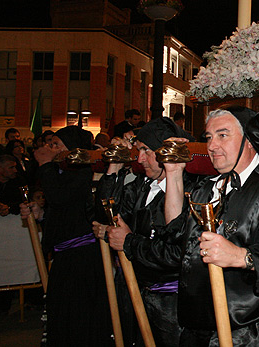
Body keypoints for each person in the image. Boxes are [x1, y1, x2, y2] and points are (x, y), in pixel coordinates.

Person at [163, 106, 259, 346]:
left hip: (246, 333)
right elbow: (176, 232)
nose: (212, 146)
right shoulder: (208, 186)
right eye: (209, 137)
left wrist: (242, 257)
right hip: (197, 327)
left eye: (223, 135)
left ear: (251, 141)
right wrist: (173, 174)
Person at [93, 117, 195, 346]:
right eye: (138, 150)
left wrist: (129, 241)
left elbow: (175, 254)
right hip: (137, 292)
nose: (139, 159)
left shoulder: (192, 192)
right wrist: (115, 165)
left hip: (171, 305)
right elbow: (104, 216)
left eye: (146, 151)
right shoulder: (142, 186)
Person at [31, 126, 112, 346]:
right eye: (50, 143)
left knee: (79, 318)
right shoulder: (61, 172)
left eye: (56, 144)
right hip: (65, 255)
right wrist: (40, 216)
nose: (50, 148)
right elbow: (61, 213)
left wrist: (45, 165)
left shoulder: (82, 172)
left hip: (81, 257)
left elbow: (60, 198)